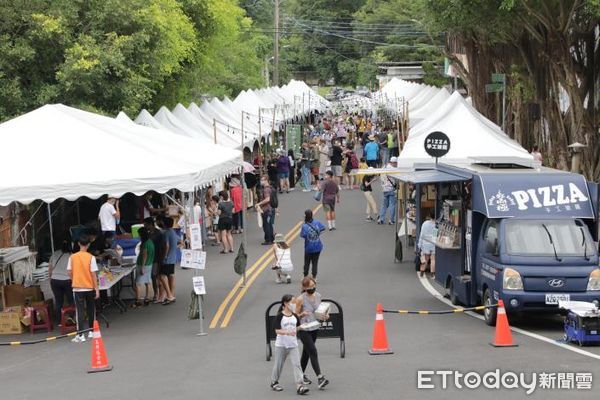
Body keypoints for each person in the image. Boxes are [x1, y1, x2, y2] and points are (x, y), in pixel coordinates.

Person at [270, 294, 309, 395]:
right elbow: (277, 331)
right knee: (278, 364)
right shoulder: (280, 316)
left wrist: (301, 327)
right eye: (293, 302)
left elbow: (296, 328)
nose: (295, 304)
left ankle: (300, 386)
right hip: (281, 345)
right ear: (286, 303)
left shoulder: (295, 316)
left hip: (293, 345)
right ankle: (274, 382)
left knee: (297, 364)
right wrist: (287, 332)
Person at [295, 277, 330, 390]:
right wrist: (302, 314)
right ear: (304, 288)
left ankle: (301, 375)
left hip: (314, 327)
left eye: (313, 286)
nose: (312, 288)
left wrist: (325, 315)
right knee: (313, 351)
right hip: (304, 329)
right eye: (309, 287)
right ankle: (320, 378)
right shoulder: (300, 299)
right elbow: (295, 316)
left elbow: (319, 311)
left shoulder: (318, 296)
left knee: (307, 352)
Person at [67, 235, 99, 343]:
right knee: (91, 310)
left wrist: (74, 280)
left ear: (78, 244)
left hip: (78, 288)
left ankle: (81, 335)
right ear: (89, 245)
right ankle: (91, 331)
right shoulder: (91, 257)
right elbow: (94, 274)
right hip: (89, 287)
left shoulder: (72, 257)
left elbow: (69, 272)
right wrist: (97, 289)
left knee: (79, 312)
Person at [49, 239, 74, 326]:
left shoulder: (55, 254)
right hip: (67, 280)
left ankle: (59, 322)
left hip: (55, 280)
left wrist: (50, 279)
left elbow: (50, 268)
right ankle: (72, 319)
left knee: (59, 301)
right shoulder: (71, 255)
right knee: (71, 300)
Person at [144, 217, 165, 303]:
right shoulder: (148, 233)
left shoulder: (158, 233)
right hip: (151, 258)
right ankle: (156, 294)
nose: (144, 226)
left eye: (145, 224)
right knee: (153, 277)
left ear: (150, 224)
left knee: (157, 276)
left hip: (157, 257)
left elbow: (162, 246)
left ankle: (160, 294)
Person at [132, 227, 154, 307]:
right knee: (147, 282)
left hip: (143, 265)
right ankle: (147, 298)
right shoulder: (150, 242)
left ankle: (138, 300)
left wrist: (142, 267)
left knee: (137, 283)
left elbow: (145, 255)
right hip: (149, 264)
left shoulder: (145, 244)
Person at [300, 210, 325, 279]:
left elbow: (302, 235)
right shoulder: (317, 222)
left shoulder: (304, 226)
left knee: (307, 262)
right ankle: (314, 277)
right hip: (318, 246)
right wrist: (318, 233)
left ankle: (305, 276)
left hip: (309, 247)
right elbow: (323, 228)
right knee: (315, 262)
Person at [160, 217, 179, 305]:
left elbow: (166, 245)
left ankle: (169, 295)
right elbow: (181, 241)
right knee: (171, 275)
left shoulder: (166, 233)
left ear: (164, 223)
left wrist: (164, 256)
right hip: (173, 257)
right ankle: (171, 294)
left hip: (167, 258)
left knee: (162, 276)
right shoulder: (173, 232)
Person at [378, 156, 398, 225]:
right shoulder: (394, 170)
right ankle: (391, 220)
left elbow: (380, 176)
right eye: (396, 163)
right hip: (391, 189)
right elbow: (396, 179)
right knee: (392, 205)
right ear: (394, 162)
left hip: (384, 189)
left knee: (384, 205)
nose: (396, 164)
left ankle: (381, 219)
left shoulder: (384, 167)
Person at [256, 175, 275, 245]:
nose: (261, 181)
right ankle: (271, 238)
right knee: (269, 224)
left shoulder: (266, 189)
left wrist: (259, 203)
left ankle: (268, 240)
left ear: (266, 180)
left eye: (262, 180)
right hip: (269, 209)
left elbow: (268, 199)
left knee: (266, 225)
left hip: (266, 209)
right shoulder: (269, 188)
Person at [418, 212, 436, 278]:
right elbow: (435, 235)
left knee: (426, 259)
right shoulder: (436, 225)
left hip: (425, 243)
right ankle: (432, 274)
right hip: (433, 243)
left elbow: (421, 235)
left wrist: (419, 245)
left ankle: (422, 272)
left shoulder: (425, 223)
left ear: (429, 216)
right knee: (433, 259)